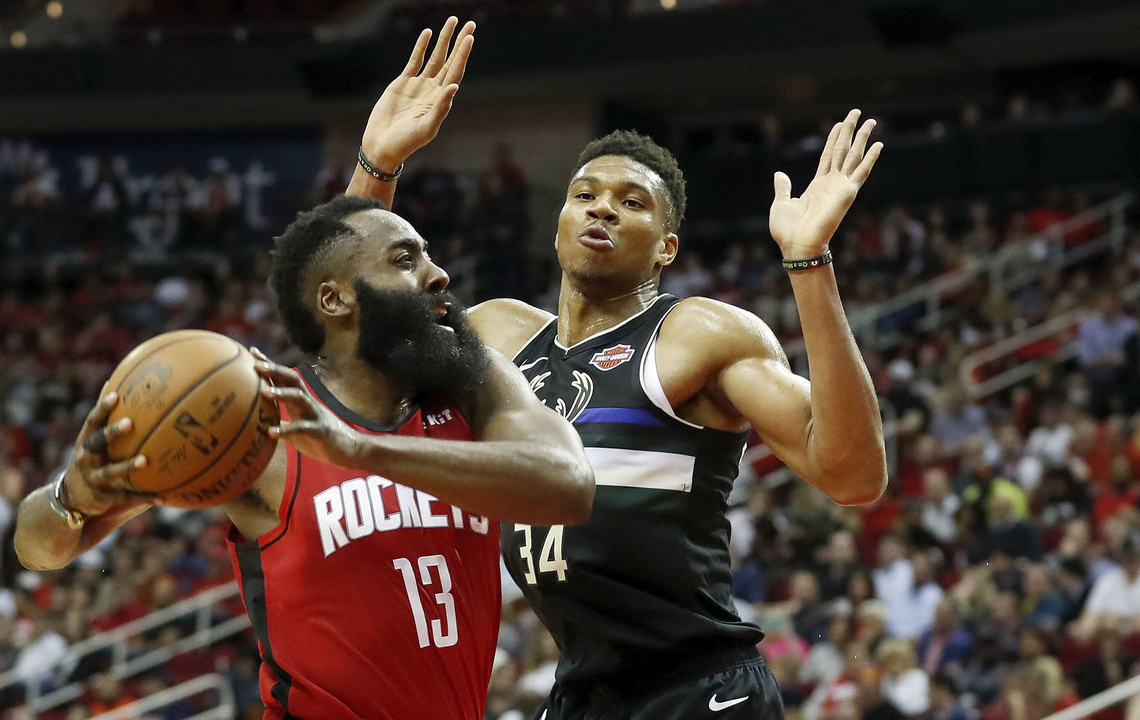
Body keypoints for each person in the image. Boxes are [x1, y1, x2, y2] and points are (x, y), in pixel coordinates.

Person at [15, 21, 596, 720]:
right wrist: (72, 495)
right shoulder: (261, 421)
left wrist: (362, 451)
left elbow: (569, 487)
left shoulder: (471, 386)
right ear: (334, 301)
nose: (440, 274)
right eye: (410, 260)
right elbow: (38, 549)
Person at [348, 27, 887, 719]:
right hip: (584, 692)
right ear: (560, 221)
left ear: (666, 248)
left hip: (700, 687)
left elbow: (852, 474)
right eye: (585, 194)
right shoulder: (498, 335)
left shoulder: (698, 333)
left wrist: (809, 264)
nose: (602, 206)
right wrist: (377, 166)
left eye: (632, 202)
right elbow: (355, 340)